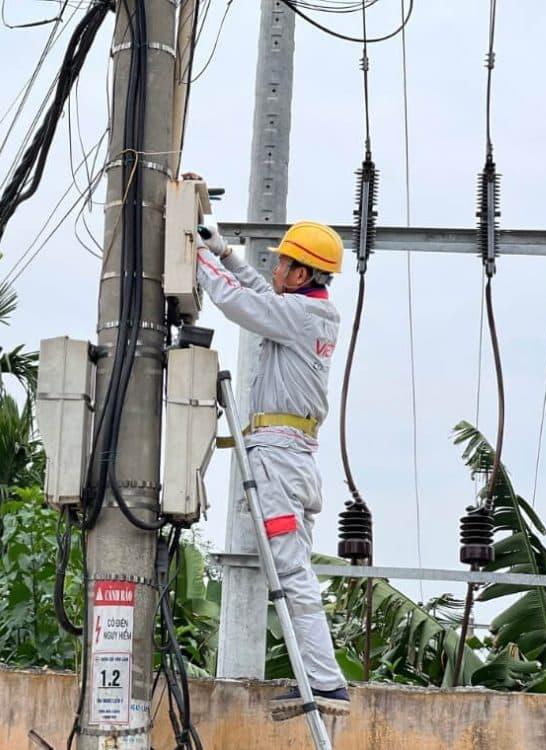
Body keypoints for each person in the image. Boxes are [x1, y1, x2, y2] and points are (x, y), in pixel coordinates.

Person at [195, 220, 350, 719]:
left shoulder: (300, 315)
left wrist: (194, 256)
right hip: (293, 457)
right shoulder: (307, 311)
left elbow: (239, 302)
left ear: (303, 275)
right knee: (293, 568)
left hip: (280, 461)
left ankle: (324, 681)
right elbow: (261, 294)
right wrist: (224, 253)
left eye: (283, 263)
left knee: (289, 571)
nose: (276, 269)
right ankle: (321, 677)